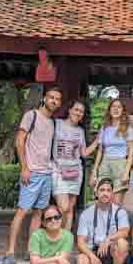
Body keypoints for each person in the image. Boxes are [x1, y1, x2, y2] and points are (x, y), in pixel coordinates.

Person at [3, 86, 62, 264]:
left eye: (57, 99)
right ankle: (10, 252)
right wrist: (24, 167)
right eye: (51, 97)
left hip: (46, 173)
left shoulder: (52, 122)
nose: (54, 101)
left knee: (38, 214)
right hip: (32, 172)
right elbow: (19, 141)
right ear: (45, 98)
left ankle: (31, 251)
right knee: (22, 211)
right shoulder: (32, 115)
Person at [52, 99, 98, 231]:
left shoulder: (80, 131)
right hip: (59, 170)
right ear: (69, 110)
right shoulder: (57, 124)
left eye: (81, 112)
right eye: (76, 110)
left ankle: (65, 238)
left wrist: (97, 141)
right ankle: (57, 235)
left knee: (70, 209)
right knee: (63, 207)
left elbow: (83, 153)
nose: (78, 113)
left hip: (75, 172)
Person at [90, 97, 133, 207]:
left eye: (119, 107)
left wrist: (126, 173)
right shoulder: (104, 128)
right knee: (101, 200)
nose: (116, 109)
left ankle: (115, 224)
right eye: (113, 107)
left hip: (120, 164)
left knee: (116, 203)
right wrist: (94, 171)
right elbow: (100, 151)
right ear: (109, 110)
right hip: (105, 164)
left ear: (123, 110)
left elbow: (131, 153)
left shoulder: (128, 129)